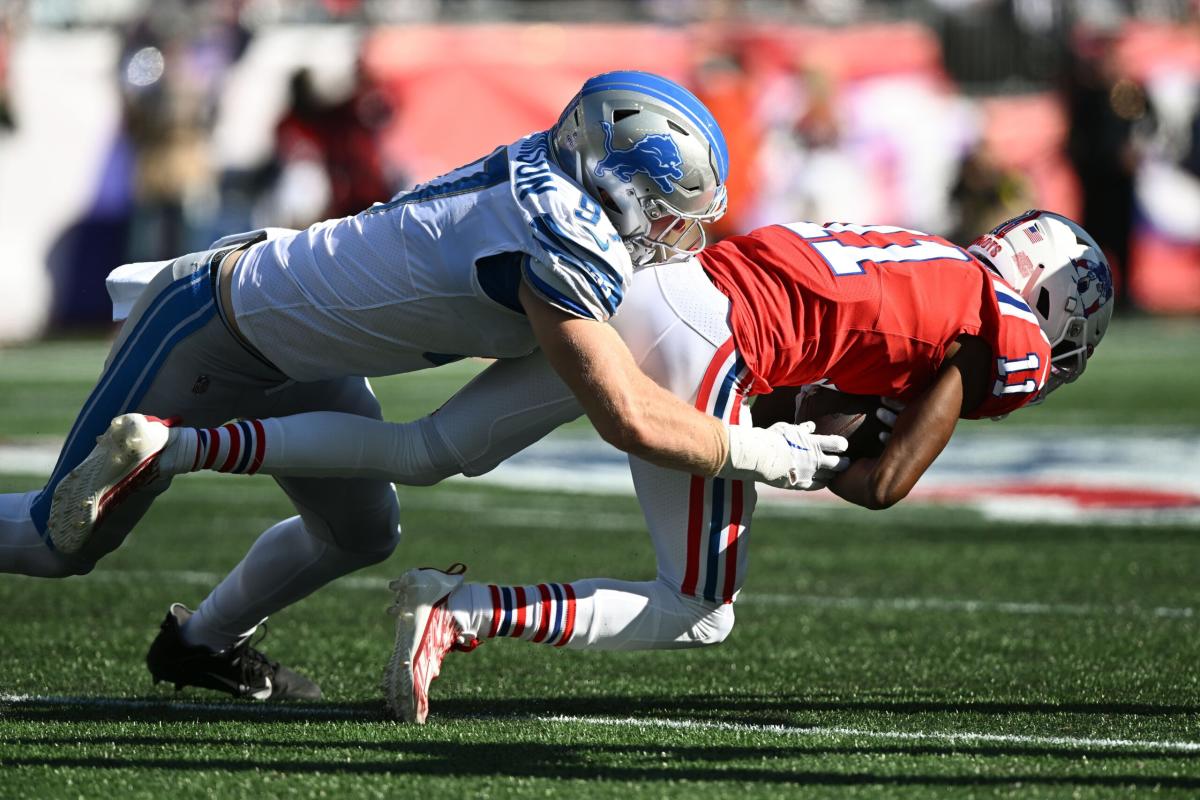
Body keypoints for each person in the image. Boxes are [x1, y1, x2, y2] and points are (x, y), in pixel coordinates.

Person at [70, 209, 1113, 721]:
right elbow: (879, 485)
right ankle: (461, 612)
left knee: (429, 449)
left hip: (656, 287)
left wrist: (821, 419)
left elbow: (817, 362)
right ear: (1055, 302)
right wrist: (822, 449)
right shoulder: (1003, 328)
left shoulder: (915, 249)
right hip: (713, 336)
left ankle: (180, 443)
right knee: (701, 604)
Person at [0, 71, 847, 700]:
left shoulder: (551, 175)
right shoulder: (566, 235)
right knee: (55, 543)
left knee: (361, 534)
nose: (674, 230)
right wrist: (766, 453)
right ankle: (176, 471)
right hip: (213, 326)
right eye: (663, 205)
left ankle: (201, 643)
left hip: (300, 348)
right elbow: (624, 414)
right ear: (610, 174)